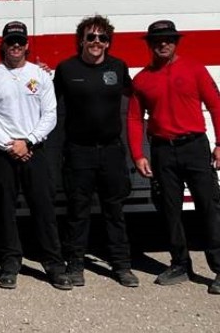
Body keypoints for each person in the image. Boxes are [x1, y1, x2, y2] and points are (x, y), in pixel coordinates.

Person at [0, 21, 71, 290]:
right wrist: (9, 144)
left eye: (20, 41)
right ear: (3, 44)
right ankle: (10, 263)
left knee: (44, 207)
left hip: (34, 151)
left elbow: (50, 113)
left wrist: (28, 142)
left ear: (27, 45)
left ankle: (53, 263)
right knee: (5, 210)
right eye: (10, 41)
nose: (15, 46)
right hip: (3, 153)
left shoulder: (39, 75)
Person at [127, 19, 220, 295]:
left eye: (168, 39)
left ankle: (218, 267)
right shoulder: (142, 79)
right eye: (157, 40)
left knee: (209, 207)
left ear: (175, 42)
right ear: (150, 44)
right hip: (162, 151)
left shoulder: (195, 69)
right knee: (169, 210)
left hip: (195, 147)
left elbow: (216, 106)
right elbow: (134, 119)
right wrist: (137, 154)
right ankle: (180, 263)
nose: (163, 44)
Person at [54, 15, 139, 287]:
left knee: (114, 210)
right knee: (77, 211)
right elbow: (46, 100)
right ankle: (76, 265)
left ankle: (122, 265)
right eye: (91, 37)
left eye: (102, 38)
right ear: (81, 40)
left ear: (108, 42)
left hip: (112, 151)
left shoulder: (119, 67)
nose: (96, 42)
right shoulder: (66, 69)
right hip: (79, 151)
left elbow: (136, 100)